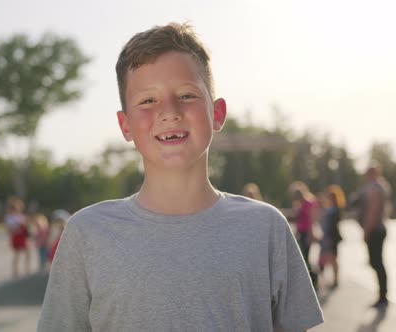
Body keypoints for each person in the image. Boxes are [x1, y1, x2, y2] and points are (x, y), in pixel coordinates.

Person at [38, 22, 323, 331]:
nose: (169, 111)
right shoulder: (86, 234)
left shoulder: (266, 228)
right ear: (125, 125)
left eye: (186, 95)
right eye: (148, 101)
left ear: (217, 113)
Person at [355, 162, 392, 309]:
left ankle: (383, 295)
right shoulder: (379, 186)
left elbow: (373, 210)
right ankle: (382, 294)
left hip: (375, 229)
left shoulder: (375, 188)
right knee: (376, 262)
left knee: (376, 262)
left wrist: (367, 231)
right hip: (376, 229)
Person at [289, 181, 320, 287]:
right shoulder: (300, 204)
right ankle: (308, 280)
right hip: (301, 233)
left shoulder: (308, 203)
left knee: (306, 258)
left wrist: (311, 235)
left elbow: (312, 219)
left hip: (307, 232)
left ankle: (313, 280)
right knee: (303, 257)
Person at [318, 184, 346, 289]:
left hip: (331, 237)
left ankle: (335, 280)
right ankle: (329, 280)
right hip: (327, 236)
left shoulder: (336, 210)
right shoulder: (330, 209)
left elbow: (333, 226)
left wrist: (329, 238)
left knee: (332, 259)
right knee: (328, 258)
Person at [4, 196, 30, 278]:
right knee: (17, 255)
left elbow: (26, 226)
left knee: (28, 253)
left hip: (22, 236)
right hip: (16, 236)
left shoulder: (21, 216)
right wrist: (18, 226)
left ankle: (27, 269)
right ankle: (15, 271)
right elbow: (8, 229)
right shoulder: (9, 217)